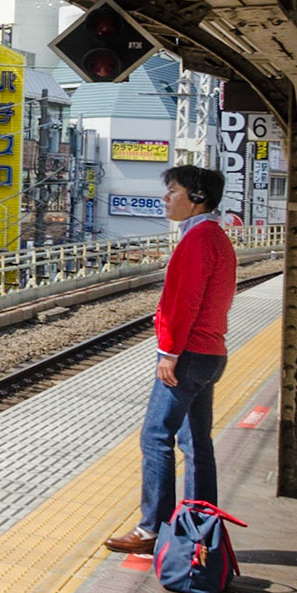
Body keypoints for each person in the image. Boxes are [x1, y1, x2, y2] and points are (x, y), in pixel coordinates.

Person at [104, 164, 236, 556]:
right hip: (211, 351)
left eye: (173, 191)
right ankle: (201, 522)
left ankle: (152, 528)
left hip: (189, 354)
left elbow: (183, 302)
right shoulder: (216, 237)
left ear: (197, 198)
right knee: (196, 441)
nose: (166, 199)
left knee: (156, 436)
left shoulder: (196, 241)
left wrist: (169, 353)